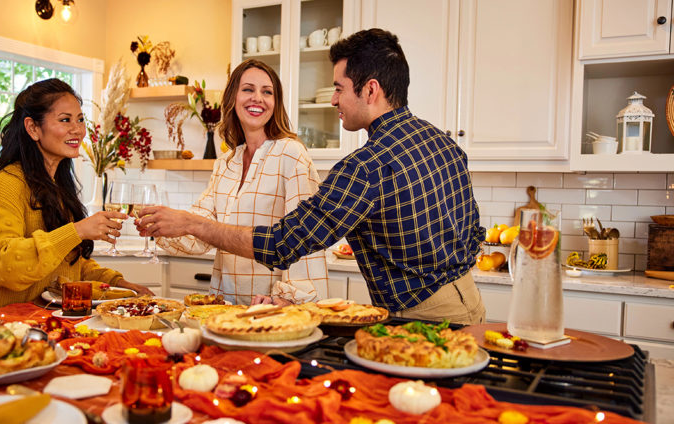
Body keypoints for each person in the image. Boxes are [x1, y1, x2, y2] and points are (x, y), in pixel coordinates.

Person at [138, 29, 485, 324]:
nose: (334, 99)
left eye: (339, 88)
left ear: (370, 90)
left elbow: (283, 243)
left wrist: (195, 225)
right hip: (469, 298)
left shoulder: (366, 166)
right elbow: (474, 231)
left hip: (423, 316)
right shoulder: (443, 142)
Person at [140, 59, 328, 306]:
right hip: (225, 307)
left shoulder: (291, 155)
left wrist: (288, 300)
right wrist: (160, 226)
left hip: (272, 309)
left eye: (267, 92)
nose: (257, 98)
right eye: (248, 89)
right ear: (232, 99)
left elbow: (305, 239)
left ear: (276, 103)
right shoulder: (226, 163)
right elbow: (201, 233)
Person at [0, 78, 152, 311]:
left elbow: (67, 263)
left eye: (80, 119)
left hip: (42, 323)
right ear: (32, 128)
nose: (78, 129)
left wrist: (118, 284)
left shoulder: (56, 186)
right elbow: (4, 264)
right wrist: (78, 231)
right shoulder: (7, 185)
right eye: (65, 120)